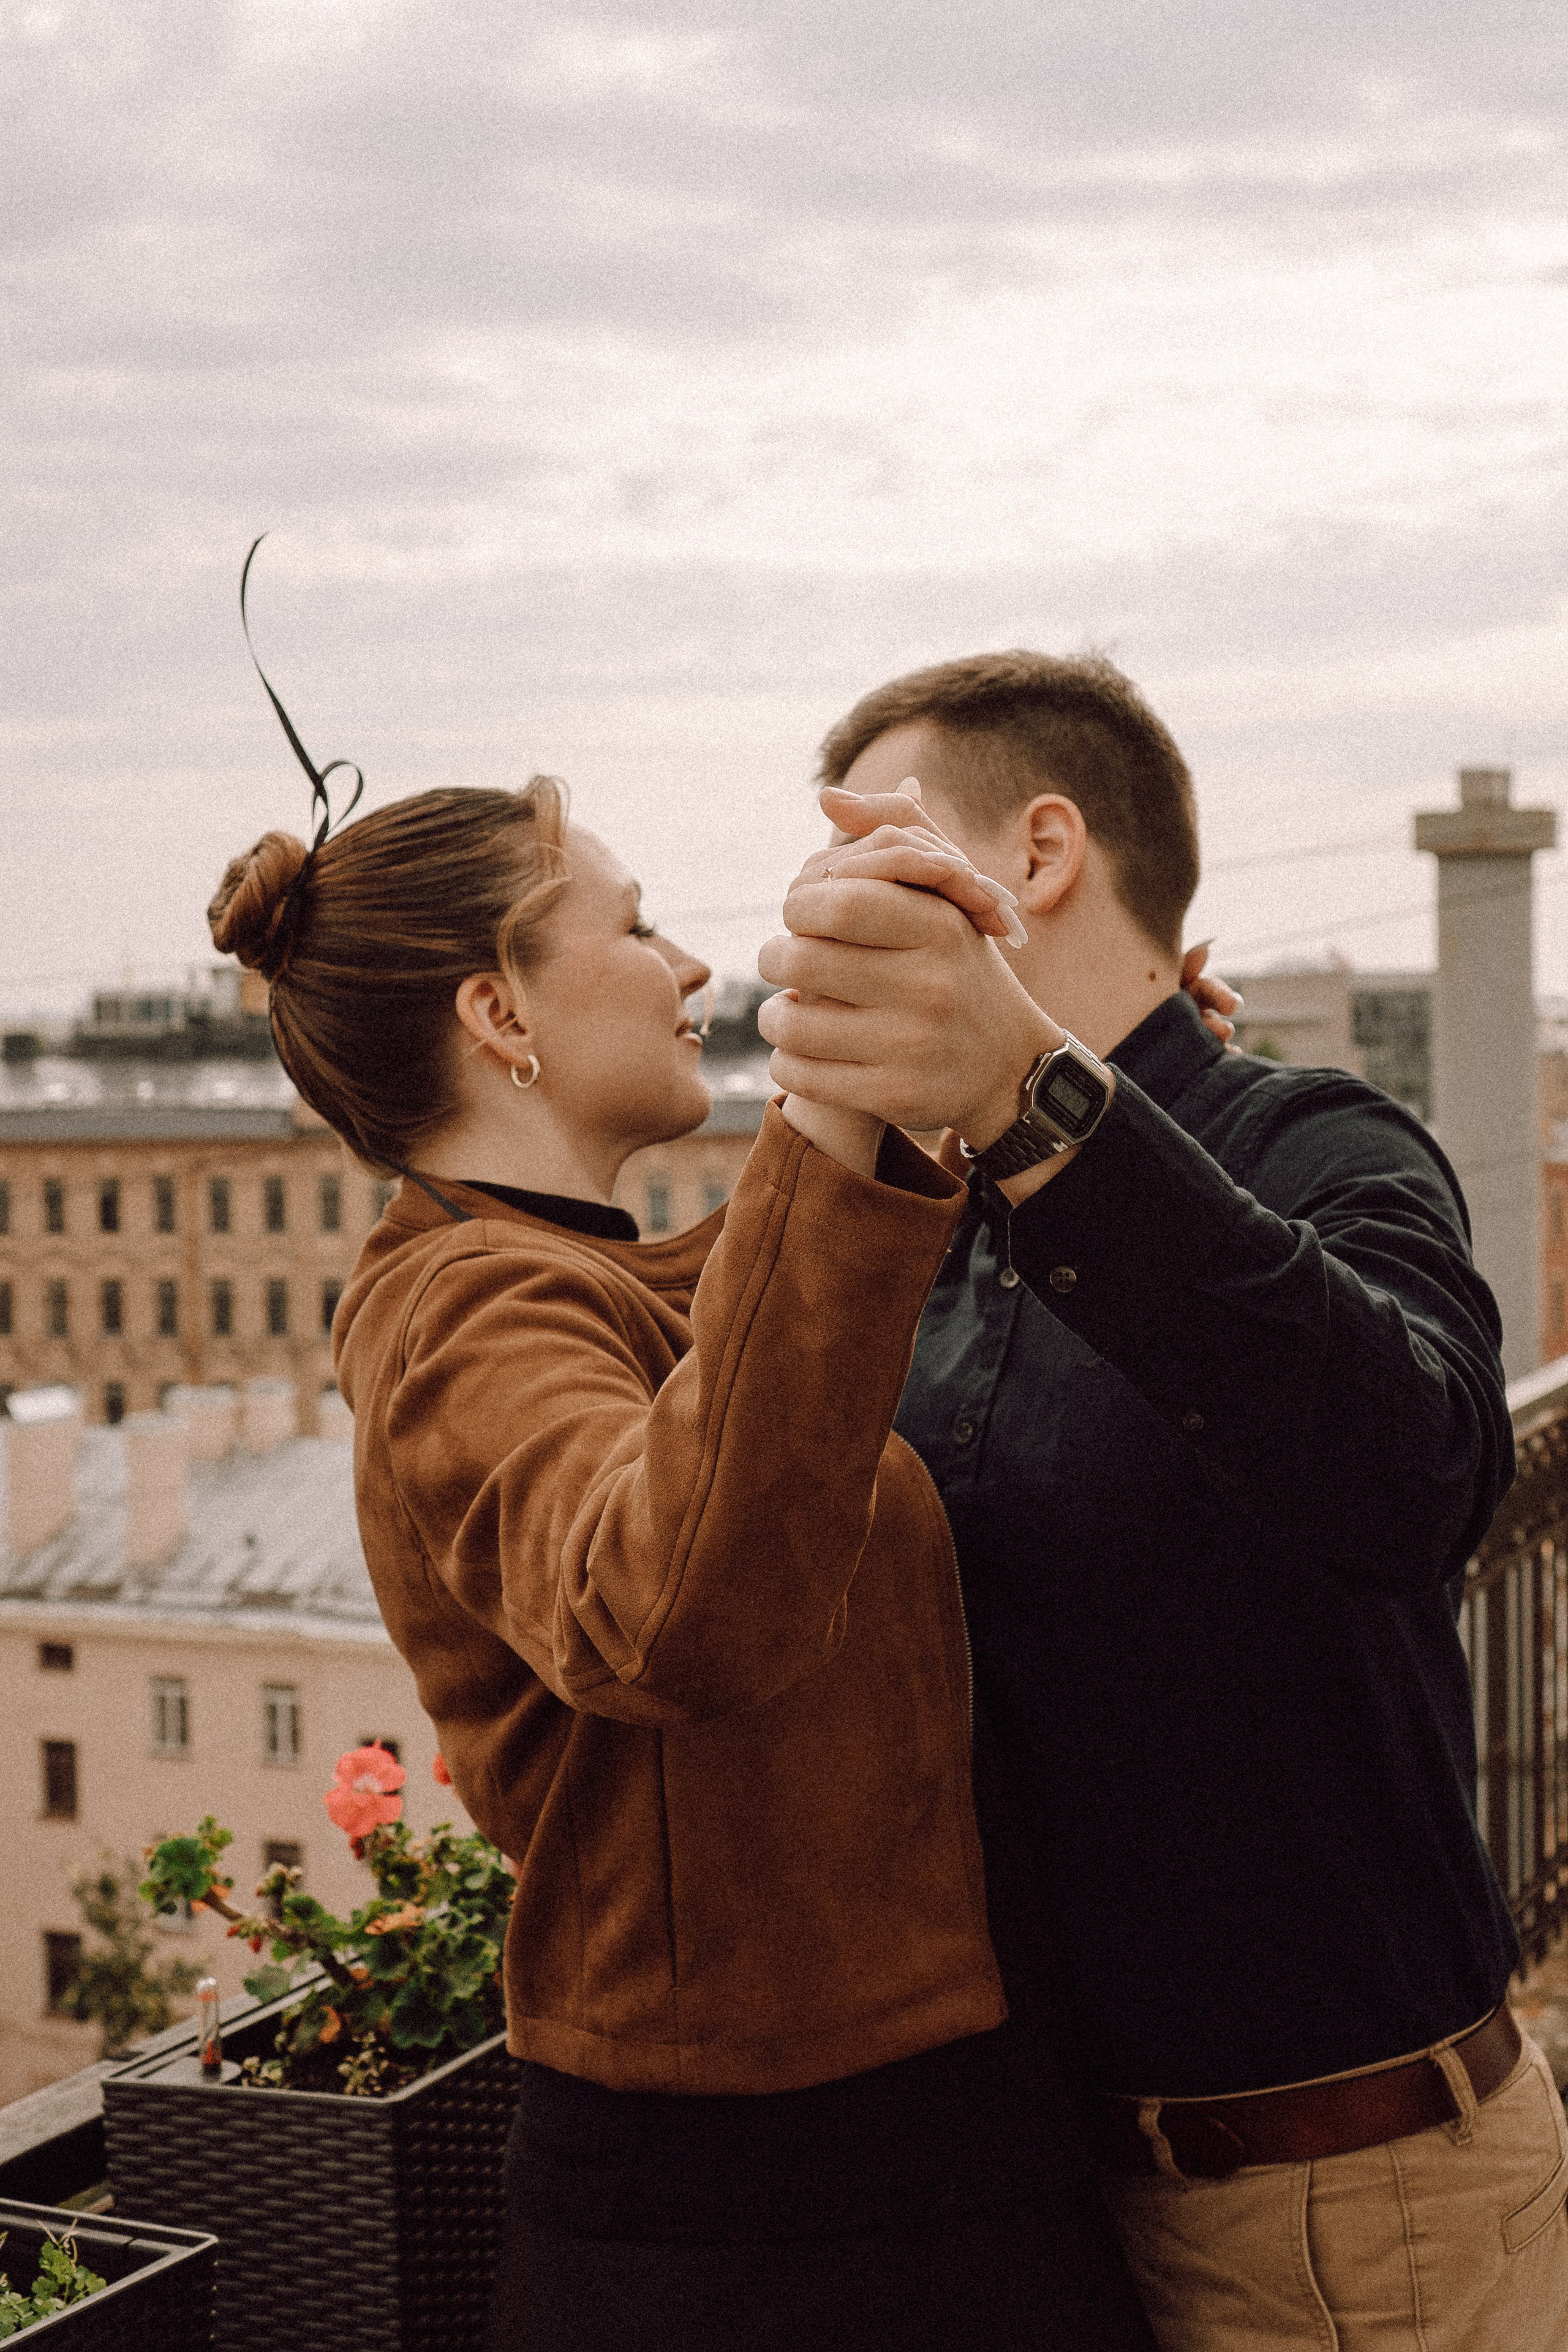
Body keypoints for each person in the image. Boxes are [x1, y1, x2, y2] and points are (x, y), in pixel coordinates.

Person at [206, 738, 1160, 2351]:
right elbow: (670, 1601)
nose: (695, 965)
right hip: (755, 2214)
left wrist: (1045, 1056)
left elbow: (768, 1344)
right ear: (499, 1014)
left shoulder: (616, 1284)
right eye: (636, 925)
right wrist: (833, 1099)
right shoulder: (459, 1311)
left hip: (906, 2141)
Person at [757, 649, 1568, 2352]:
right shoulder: (930, 1228)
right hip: (1034, 2211)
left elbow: (1422, 1473)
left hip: (1357, 2221)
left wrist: (1043, 1104)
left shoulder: (1319, 1147)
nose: (822, 914)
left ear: (1039, 857)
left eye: (881, 855)